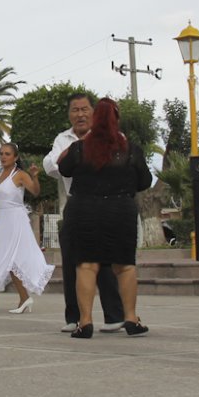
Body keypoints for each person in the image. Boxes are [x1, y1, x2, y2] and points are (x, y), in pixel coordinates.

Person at [58, 98, 153, 339]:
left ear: (94, 120)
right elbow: (144, 181)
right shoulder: (130, 149)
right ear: (116, 119)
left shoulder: (80, 148)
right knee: (124, 266)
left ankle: (85, 321)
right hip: (120, 209)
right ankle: (131, 317)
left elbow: (64, 168)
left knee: (87, 265)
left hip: (85, 208)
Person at [43, 93, 126, 334]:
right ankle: (75, 317)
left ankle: (114, 316)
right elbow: (51, 165)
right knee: (71, 261)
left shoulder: (112, 137)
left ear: (94, 112)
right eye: (75, 110)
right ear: (69, 114)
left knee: (106, 262)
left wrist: (72, 158)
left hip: (107, 204)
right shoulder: (63, 138)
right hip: (76, 205)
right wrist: (75, 154)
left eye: (85, 109)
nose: (80, 114)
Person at [0, 143, 54, 314]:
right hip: (2, 221)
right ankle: (24, 298)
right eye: (1, 153)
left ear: (15, 157)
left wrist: (34, 176)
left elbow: (35, 191)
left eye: (7, 154)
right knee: (6, 260)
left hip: (15, 220)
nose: (3, 156)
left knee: (8, 259)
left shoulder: (20, 175)